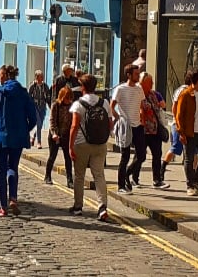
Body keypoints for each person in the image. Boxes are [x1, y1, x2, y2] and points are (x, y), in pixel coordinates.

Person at [0, 64, 37, 217]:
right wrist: (24, 129)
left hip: (0, 136)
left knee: (1, 169)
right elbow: (33, 118)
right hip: (18, 137)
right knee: (13, 167)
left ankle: (3, 207)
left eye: (0, 76)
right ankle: (13, 198)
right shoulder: (23, 93)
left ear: (6, 76)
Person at [68, 73, 112, 221]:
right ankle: (102, 207)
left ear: (83, 87)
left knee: (79, 176)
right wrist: (104, 137)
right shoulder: (104, 103)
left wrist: (70, 146)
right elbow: (110, 124)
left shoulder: (78, 104)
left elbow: (74, 126)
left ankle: (78, 207)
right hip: (100, 144)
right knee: (99, 175)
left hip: (81, 144)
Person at [174, 67, 198, 196]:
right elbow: (178, 115)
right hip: (189, 133)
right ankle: (190, 185)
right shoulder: (185, 94)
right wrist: (181, 132)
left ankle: (195, 180)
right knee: (189, 159)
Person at [128, 72, 169, 188]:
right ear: (142, 83)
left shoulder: (153, 94)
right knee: (140, 156)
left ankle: (157, 180)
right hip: (142, 130)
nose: (152, 84)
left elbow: (160, 107)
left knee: (157, 155)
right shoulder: (137, 94)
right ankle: (134, 178)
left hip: (154, 130)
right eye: (150, 82)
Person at [111, 63, 145, 193]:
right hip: (126, 125)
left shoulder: (139, 89)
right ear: (129, 75)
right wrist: (118, 118)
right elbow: (112, 106)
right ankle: (121, 186)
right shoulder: (120, 89)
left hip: (137, 125)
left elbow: (141, 105)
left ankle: (127, 174)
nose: (138, 76)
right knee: (125, 157)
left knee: (141, 155)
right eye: (136, 74)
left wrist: (142, 118)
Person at [161, 72, 192, 183]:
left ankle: (195, 175)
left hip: (190, 125)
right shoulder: (183, 91)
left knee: (194, 151)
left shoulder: (192, 91)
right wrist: (177, 120)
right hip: (179, 124)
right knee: (176, 148)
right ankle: (162, 168)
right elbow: (174, 107)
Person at [45, 85, 74, 187]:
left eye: (70, 98)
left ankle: (70, 180)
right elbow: (52, 121)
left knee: (68, 158)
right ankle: (47, 176)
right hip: (55, 135)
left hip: (66, 135)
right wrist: (54, 134)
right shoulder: (55, 105)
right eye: (67, 98)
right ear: (62, 97)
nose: (68, 100)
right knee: (52, 156)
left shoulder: (72, 106)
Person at [27, 70, 51, 149]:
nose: (42, 78)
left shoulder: (45, 86)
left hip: (43, 106)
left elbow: (48, 95)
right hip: (35, 107)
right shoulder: (32, 86)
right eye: (40, 76)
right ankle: (39, 142)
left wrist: (49, 104)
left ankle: (33, 136)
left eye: (42, 76)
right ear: (36, 77)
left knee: (39, 125)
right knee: (39, 124)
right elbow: (29, 96)